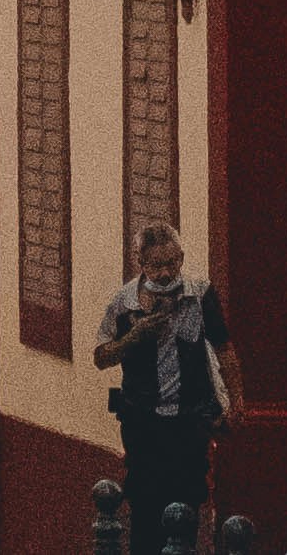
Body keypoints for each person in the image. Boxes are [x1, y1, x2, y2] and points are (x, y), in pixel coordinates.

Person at [90, 224, 237, 546]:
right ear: (140, 264)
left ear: (181, 257)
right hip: (142, 419)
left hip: (189, 418)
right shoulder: (124, 303)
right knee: (145, 500)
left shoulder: (199, 295)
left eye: (173, 263)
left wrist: (236, 405)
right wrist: (135, 336)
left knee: (187, 499)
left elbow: (225, 350)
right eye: (157, 266)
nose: (167, 272)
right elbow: (101, 357)